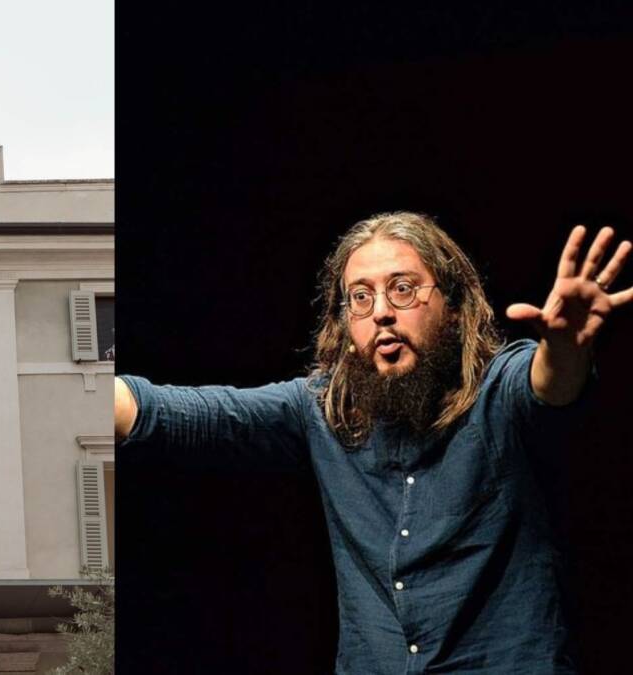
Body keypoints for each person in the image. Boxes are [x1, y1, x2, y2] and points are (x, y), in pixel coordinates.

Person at [116, 212, 632, 672]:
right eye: (360, 297)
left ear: (452, 306)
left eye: (403, 288)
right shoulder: (319, 410)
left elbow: (548, 385)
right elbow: (178, 414)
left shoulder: (496, 390)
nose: (381, 311)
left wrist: (565, 348)